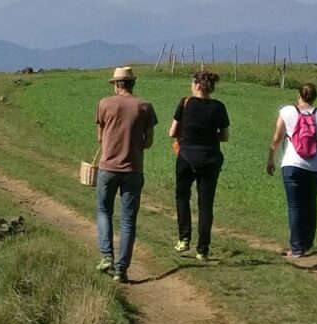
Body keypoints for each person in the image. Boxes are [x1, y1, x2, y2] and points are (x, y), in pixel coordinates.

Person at [92, 65, 157, 283]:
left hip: (108, 168)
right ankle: (122, 270)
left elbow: (100, 138)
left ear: (116, 85)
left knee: (104, 211)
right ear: (132, 84)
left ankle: (107, 256)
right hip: (133, 169)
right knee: (128, 221)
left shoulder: (104, 104)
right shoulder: (145, 107)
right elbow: (148, 142)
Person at [265, 81, 317, 257]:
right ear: (315, 97)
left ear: (299, 95)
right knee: (310, 204)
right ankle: (307, 243)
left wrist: (271, 158)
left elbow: (277, 137)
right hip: (315, 166)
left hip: (291, 163)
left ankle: (295, 248)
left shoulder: (287, 111)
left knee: (294, 206)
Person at [168, 68, 230, 259]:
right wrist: (209, 135)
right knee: (206, 204)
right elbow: (225, 136)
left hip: (186, 156)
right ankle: (203, 249)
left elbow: (172, 132)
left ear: (196, 85)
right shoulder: (219, 107)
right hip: (210, 159)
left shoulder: (185, 103)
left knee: (182, 196)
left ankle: (184, 238)